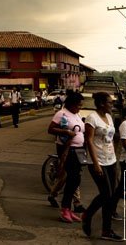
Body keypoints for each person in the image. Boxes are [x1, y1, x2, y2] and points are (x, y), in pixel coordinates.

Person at [82, 92, 122, 241]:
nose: (112, 105)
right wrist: (96, 164)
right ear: (101, 104)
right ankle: (92, 218)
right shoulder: (92, 118)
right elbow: (89, 141)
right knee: (106, 195)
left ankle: (104, 229)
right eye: (109, 103)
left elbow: (111, 139)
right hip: (97, 162)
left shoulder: (109, 117)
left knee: (110, 196)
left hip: (110, 160)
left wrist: (115, 159)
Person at [47, 91, 86, 224]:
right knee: (71, 178)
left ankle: (68, 208)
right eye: (78, 105)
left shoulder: (76, 114)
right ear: (71, 104)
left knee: (76, 179)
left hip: (78, 150)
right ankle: (65, 208)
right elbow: (51, 129)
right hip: (67, 149)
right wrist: (65, 132)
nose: (80, 108)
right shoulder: (61, 113)